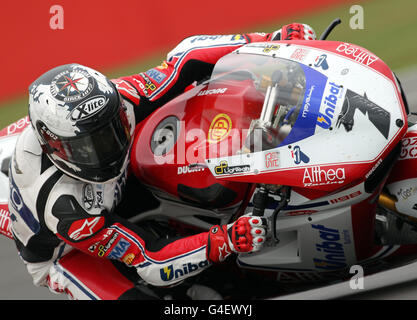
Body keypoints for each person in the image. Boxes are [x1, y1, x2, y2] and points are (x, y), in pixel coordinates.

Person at [7, 23, 316, 300]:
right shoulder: (66, 209)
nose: (108, 149)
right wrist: (226, 240)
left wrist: (270, 43)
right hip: (71, 250)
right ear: (54, 146)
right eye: (89, 147)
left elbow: (184, 59)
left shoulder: (119, 100)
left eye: (112, 130)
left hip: (119, 184)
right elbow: (150, 260)